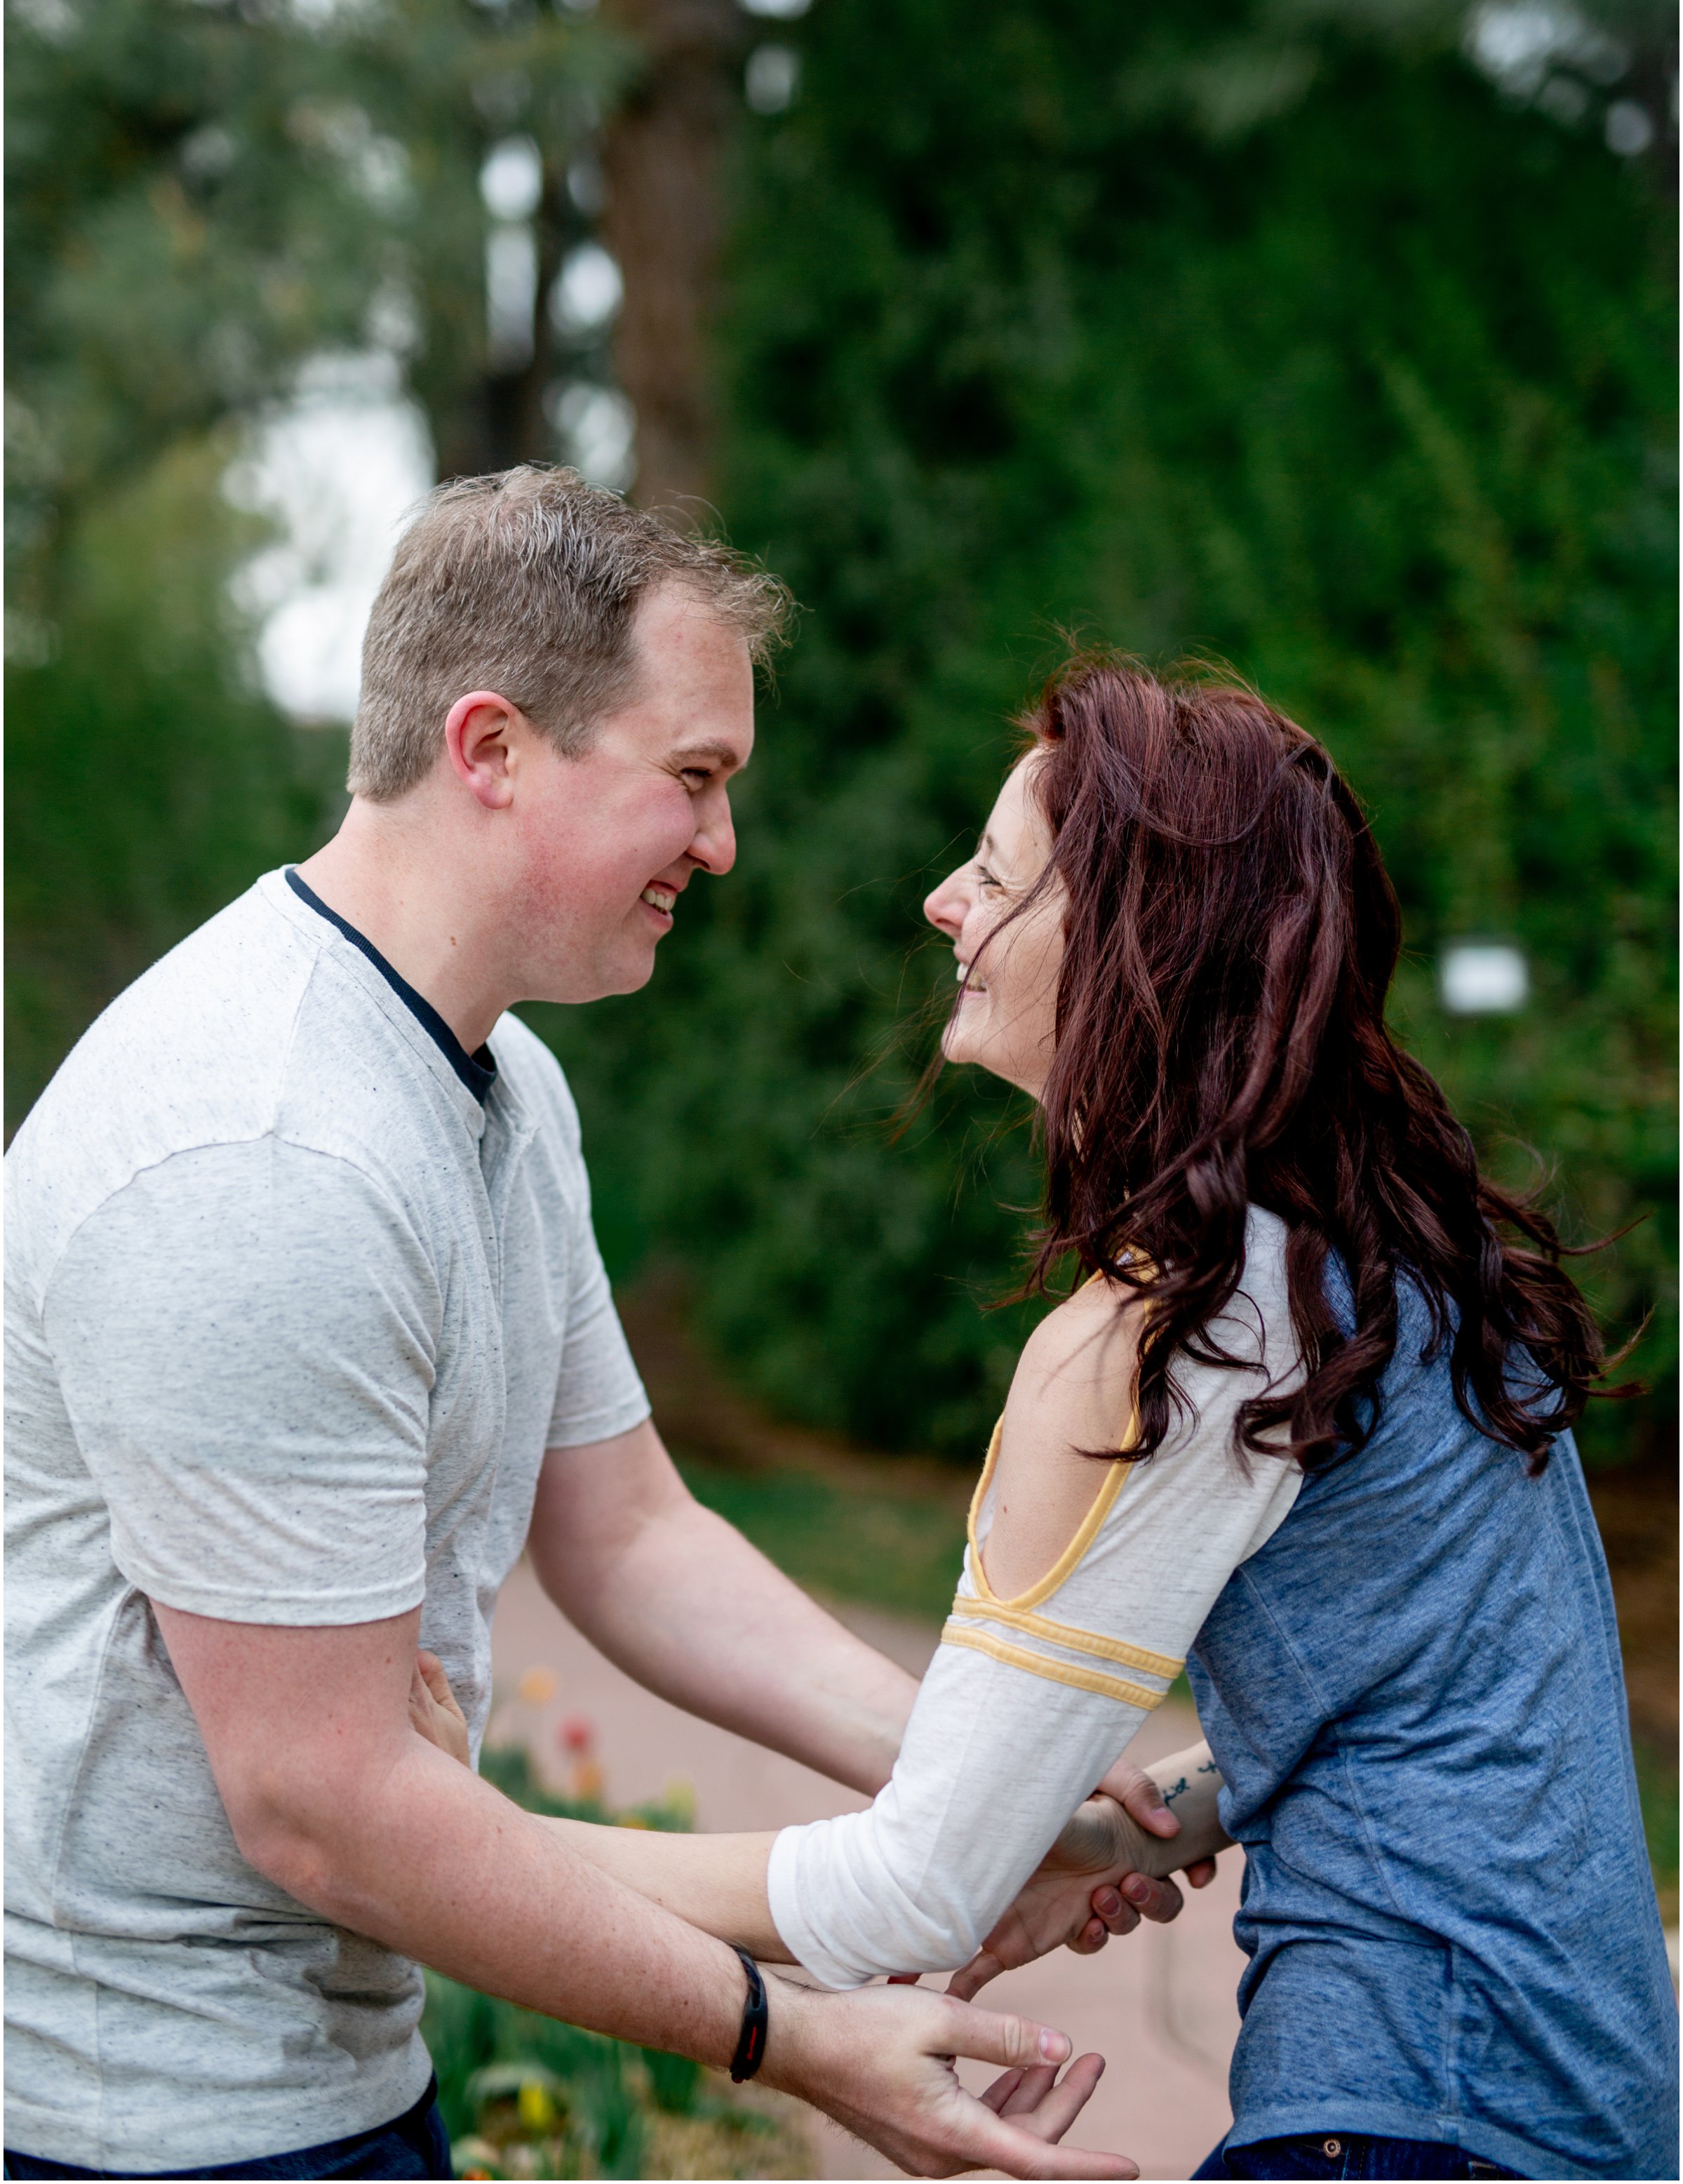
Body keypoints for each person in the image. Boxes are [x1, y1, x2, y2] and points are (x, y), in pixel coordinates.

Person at [5, 474, 1182, 2184]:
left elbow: (629, 1536)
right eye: (693, 779)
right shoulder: (260, 1157)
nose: (722, 844)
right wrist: (794, 2037)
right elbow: (326, 1805)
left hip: (327, 2079)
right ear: (491, 749)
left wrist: (987, 1798)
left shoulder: (502, 1082)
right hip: (133, 2124)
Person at [401, 659, 1677, 2183]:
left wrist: (463, 1850)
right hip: (1576, 2111)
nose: (944, 902)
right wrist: (1142, 1822)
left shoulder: (1177, 1333)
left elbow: (912, 1896)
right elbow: (1429, 1695)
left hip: (1419, 2119)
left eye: (995, 876)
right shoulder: (1378, 1255)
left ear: (1138, 944)